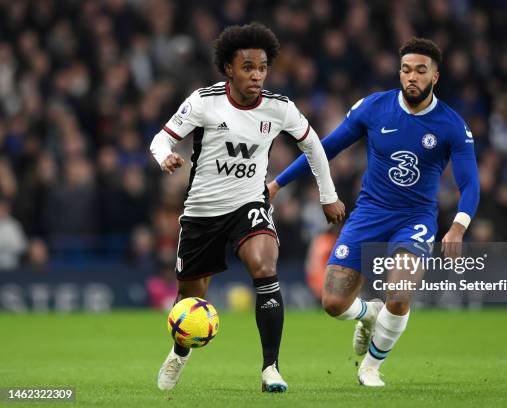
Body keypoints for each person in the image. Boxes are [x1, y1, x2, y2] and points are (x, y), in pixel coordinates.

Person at [268, 38, 479, 387]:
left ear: (435, 77)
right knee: (334, 302)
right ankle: (368, 314)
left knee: (399, 295)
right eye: (406, 70)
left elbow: (470, 183)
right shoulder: (374, 108)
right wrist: (277, 185)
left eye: (421, 71)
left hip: (416, 219)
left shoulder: (451, 125)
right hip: (369, 214)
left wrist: (458, 226)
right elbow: (324, 150)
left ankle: (370, 367)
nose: (412, 77)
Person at [149, 23, 345, 393]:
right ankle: (179, 354)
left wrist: (327, 195)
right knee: (190, 298)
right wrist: (165, 157)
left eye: (262, 67)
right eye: (248, 67)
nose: (256, 75)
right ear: (229, 68)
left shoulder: (279, 107)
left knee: (264, 266)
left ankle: (270, 368)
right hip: (202, 212)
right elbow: (161, 139)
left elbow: (313, 145)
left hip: (249, 203)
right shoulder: (204, 101)